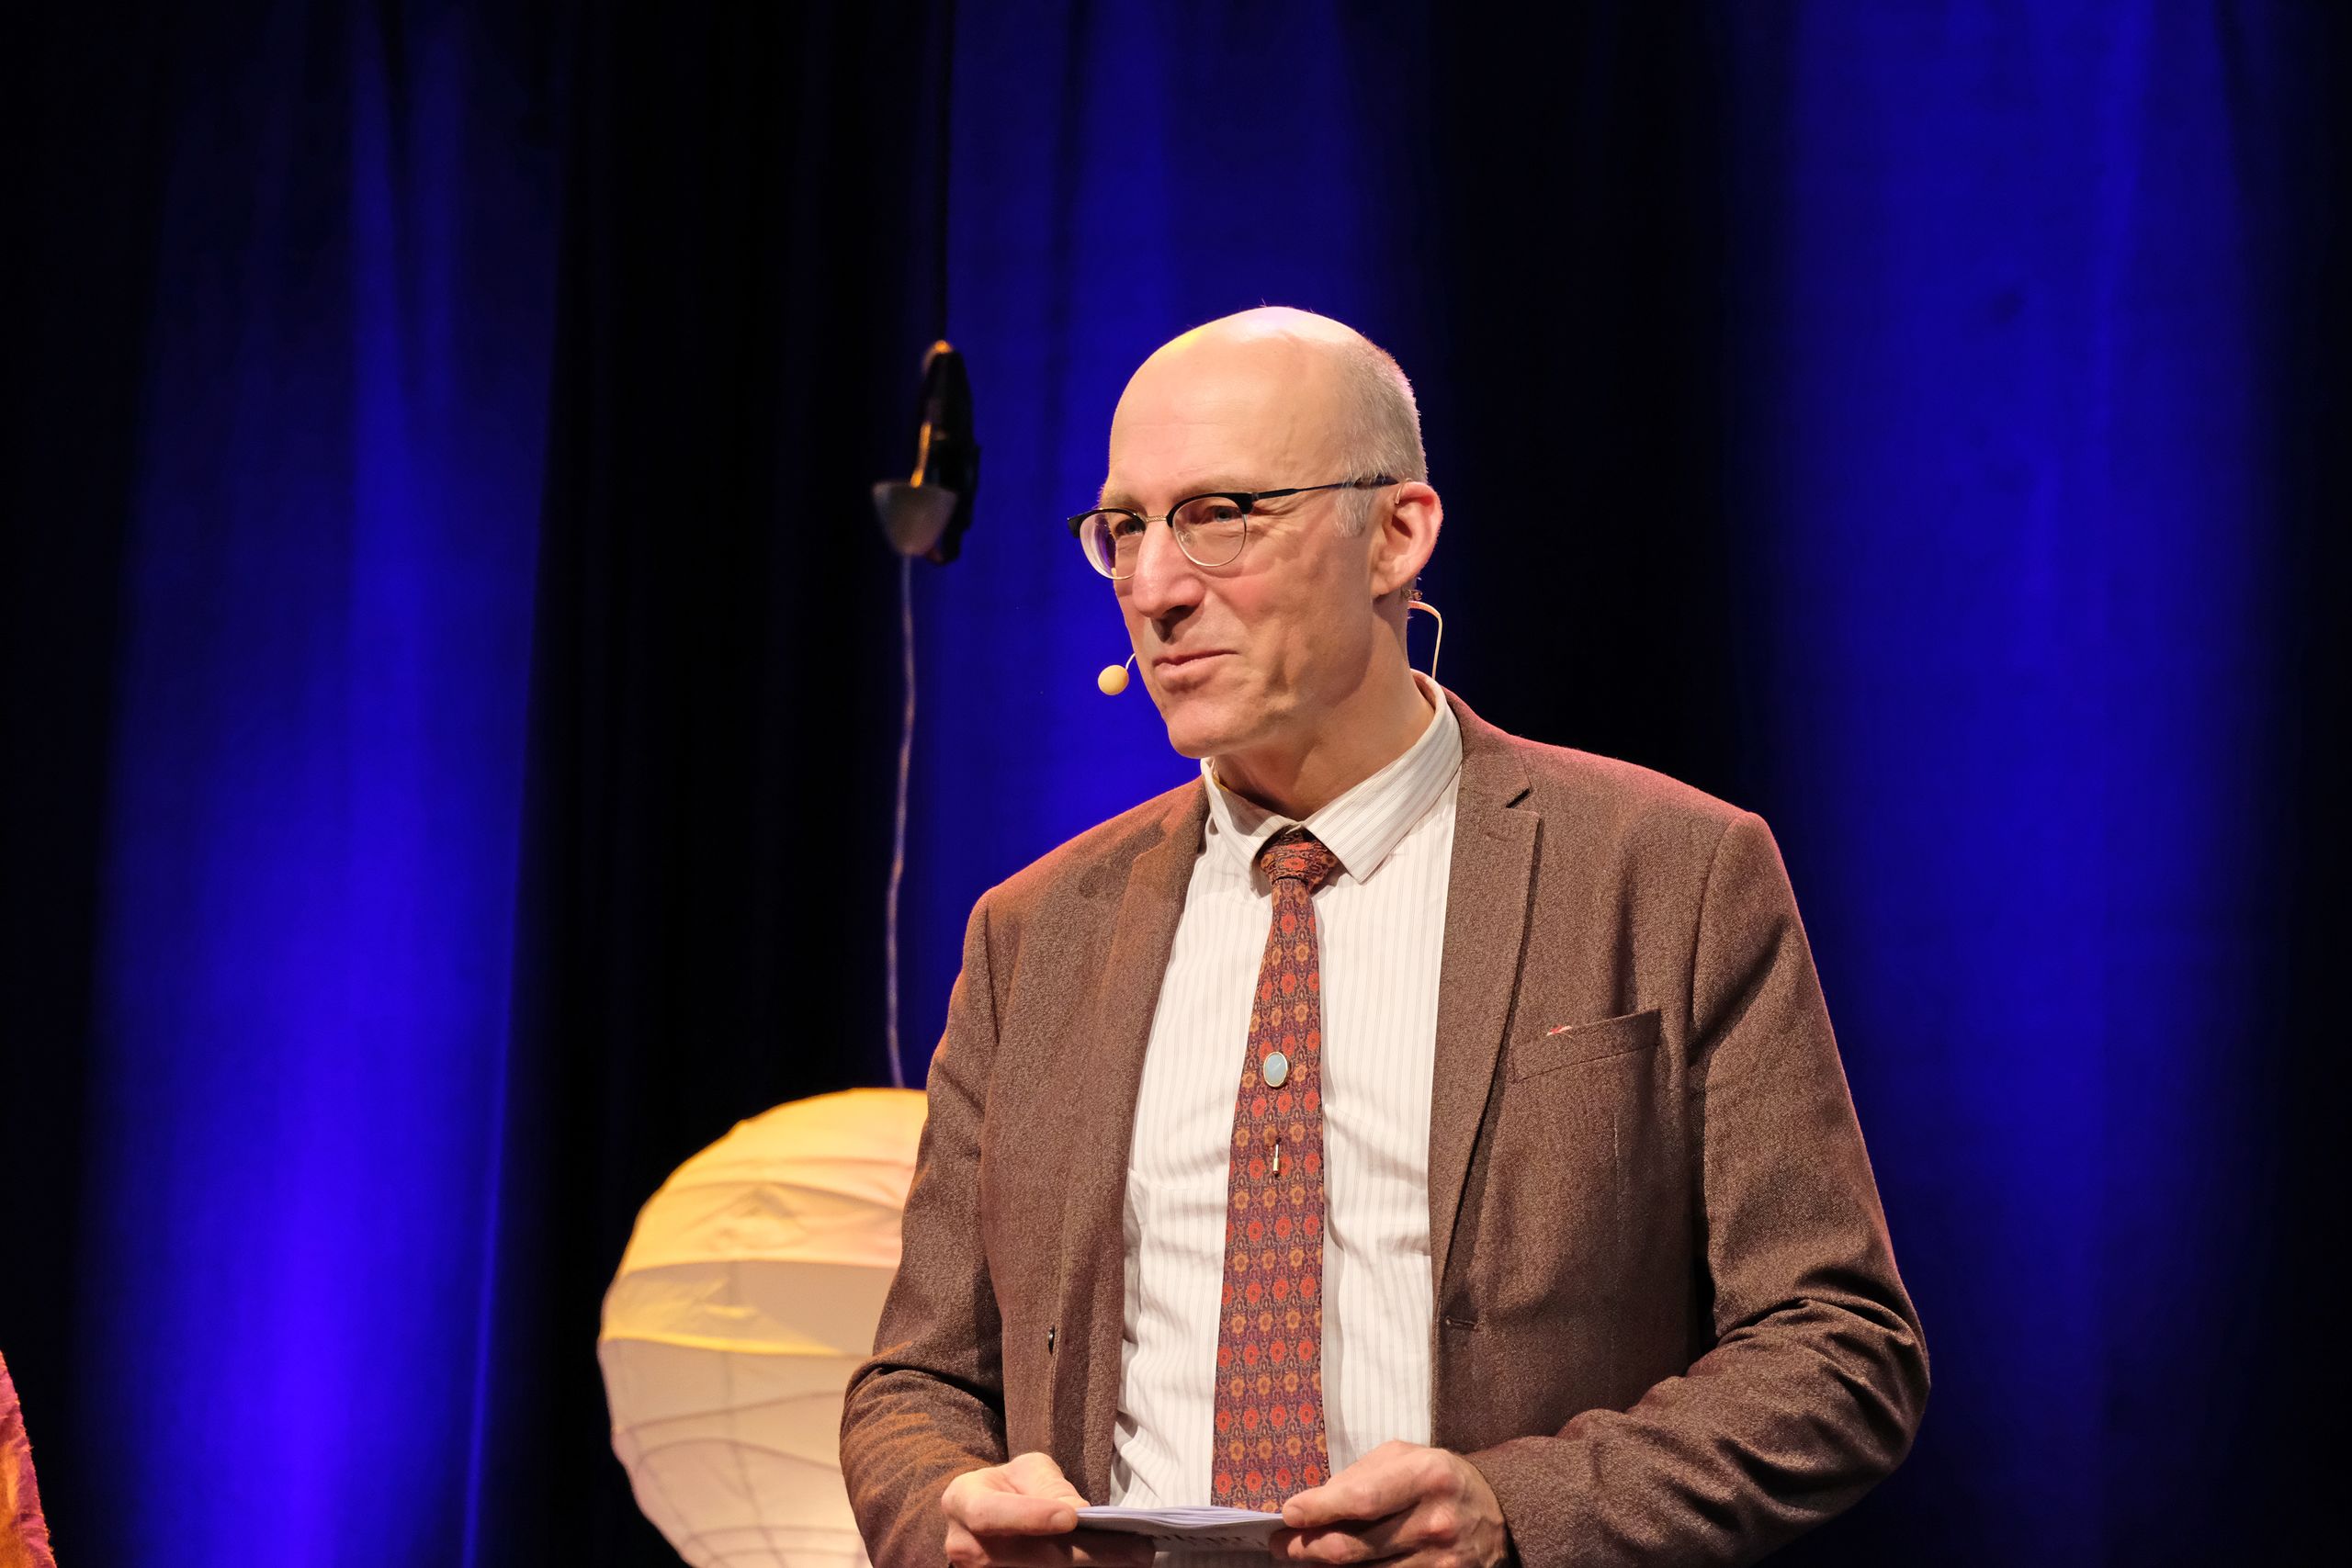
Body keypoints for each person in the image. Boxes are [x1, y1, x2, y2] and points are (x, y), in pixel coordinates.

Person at [840, 308, 1928, 1568]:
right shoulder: (1033, 934)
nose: (1155, 587)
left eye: (1220, 514)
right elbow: (915, 1384)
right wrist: (948, 1512)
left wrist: (1519, 1512)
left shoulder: (1668, 874)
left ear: (1397, 534)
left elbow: (1838, 1349)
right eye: (1125, 528)